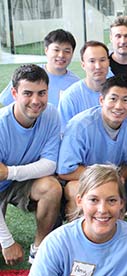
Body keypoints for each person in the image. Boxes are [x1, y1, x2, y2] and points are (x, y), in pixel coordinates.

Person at [29, 164, 127, 275]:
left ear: (122, 203)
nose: (102, 209)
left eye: (112, 200)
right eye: (93, 200)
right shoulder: (56, 244)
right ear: (79, 201)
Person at [57, 76, 127, 220]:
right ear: (102, 100)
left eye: (125, 100)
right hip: (80, 179)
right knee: (77, 191)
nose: (118, 106)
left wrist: (117, 180)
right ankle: (77, 235)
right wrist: (103, 180)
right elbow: (66, 171)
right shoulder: (80, 125)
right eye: (113, 99)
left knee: (114, 203)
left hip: (112, 178)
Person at [0, 64, 62, 265]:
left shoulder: (51, 114)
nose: (36, 101)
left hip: (17, 180)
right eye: (28, 93)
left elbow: (50, 164)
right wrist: (7, 241)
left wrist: (9, 172)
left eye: (41, 93)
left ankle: (39, 248)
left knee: (51, 188)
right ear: (14, 93)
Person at [0, 29, 79, 107]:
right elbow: (5, 103)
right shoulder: (28, 74)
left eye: (67, 51)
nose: (61, 55)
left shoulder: (76, 84)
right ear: (46, 50)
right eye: (56, 50)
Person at [58, 40, 110, 133]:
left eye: (102, 60)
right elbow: (64, 134)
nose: (98, 66)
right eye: (92, 61)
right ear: (83, 65)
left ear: (108, 62)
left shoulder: (118, 92)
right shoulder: (70, 97)